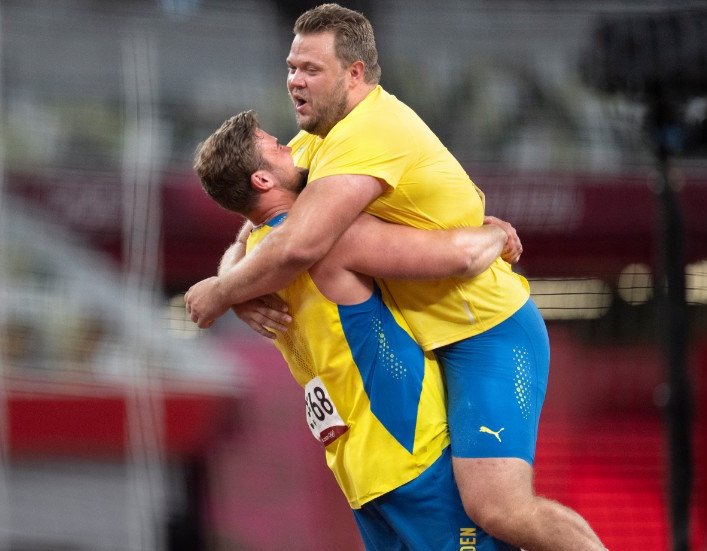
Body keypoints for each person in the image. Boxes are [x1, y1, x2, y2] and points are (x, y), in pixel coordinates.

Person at [185, 5, 606, 550]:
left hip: (485, 331)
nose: (293, 80)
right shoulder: (316, 145)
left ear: (354, 73)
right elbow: (254, 233)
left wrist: (222, 292)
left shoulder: (370, 133)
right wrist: (237, 288)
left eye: (310, 68)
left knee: (498, 507)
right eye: (291, 66)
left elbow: (303, 244)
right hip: (403, 394)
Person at [195, 110, 518, 549]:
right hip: (412, 452)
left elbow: (244, 237)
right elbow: (459, 256)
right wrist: (496, 234)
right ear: (263, 181)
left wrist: (224, 290)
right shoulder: (326, 240)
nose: (290, 146)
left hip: (359, 473)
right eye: (276, 146)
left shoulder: (254, 259)